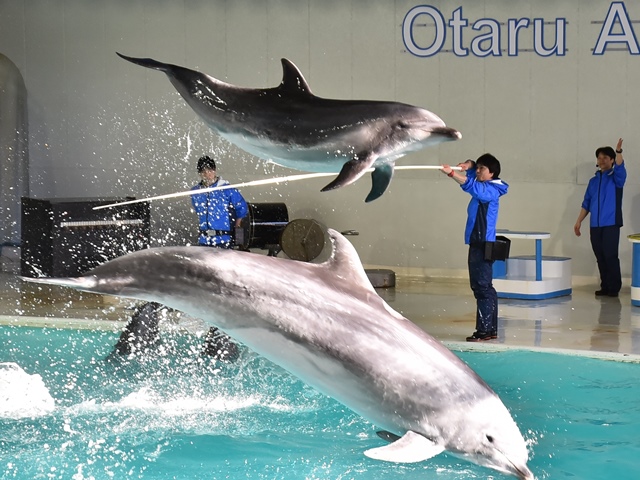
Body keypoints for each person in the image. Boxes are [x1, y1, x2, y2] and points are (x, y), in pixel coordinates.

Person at [441, 154, 509, 342]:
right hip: (477, 242)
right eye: (478, 168)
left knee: (482, 287)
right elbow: (473, 179)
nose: (478, 171)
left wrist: (452, 174)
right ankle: (490, 329)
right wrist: (470, 165)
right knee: (485, 287)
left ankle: (484, 330)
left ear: (492, 173)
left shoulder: (491, 191)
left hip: (482, 243)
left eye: (482, 169)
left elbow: (474, 187)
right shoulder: (487, 184)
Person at [574, 138, 626, 297]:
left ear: (611, 160)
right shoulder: (593, 181)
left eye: (605, 157)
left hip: (611, 223)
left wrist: (618, 152)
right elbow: (586, 203)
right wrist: (579, 221)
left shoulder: (616, 178)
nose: (601, 160)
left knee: (610, 255)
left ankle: (614, 288)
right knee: (600, 256)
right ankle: (605, 286)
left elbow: (620, 167)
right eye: (599, 157)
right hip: (595, 225)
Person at [191, 155, 249, 248]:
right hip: (204, 240)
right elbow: (198, 211)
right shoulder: (196, 192)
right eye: (204, 172)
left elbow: (242, 208)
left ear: (214, 170)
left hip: (223, 239)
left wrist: (237, 228)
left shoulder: (226, 189)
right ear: (200, 173)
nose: (207, 174)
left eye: (210, 171)